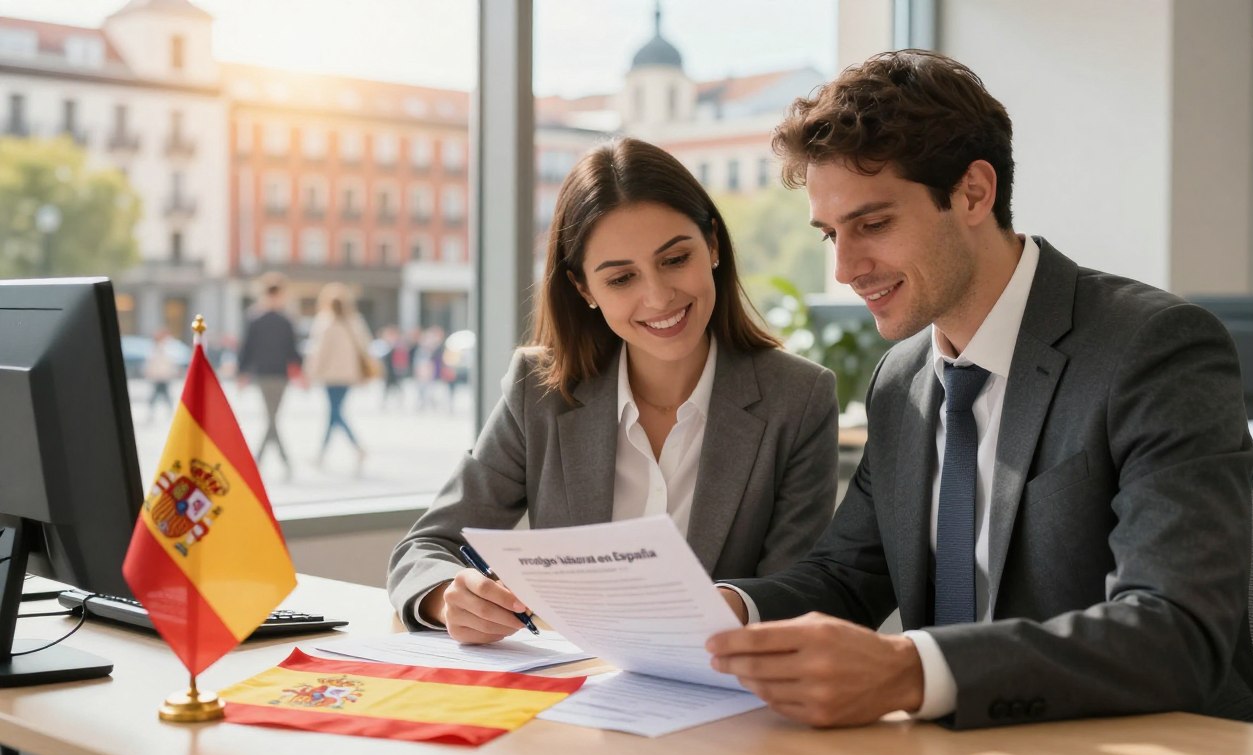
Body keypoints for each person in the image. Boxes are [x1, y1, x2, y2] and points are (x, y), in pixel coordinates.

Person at [705, 50, 1253, 730]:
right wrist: (723, 612)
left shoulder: (1154, 349)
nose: (847, 269)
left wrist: (914, 671)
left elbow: (1174, 632)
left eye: (873, 224)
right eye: (831, 234)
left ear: (974, 193)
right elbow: (843, 577)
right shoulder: (902, 381)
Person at [387, 137, 840, 644]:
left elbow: (798, 592)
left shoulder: (798, 398)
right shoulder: (538, 391)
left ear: (712, 245)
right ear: (585, 290)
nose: (658, 296)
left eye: (675, 259)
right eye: (622, 278)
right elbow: (424, 548)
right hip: (574, 694)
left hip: (725, 695)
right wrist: (449, 595)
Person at [237, 273, 303, 480]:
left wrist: (243, 371)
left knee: (272, 418)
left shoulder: (282, 319)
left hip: (277, 375)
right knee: (272, 418)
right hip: (266, 374)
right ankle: (274, 461)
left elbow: (293, 350)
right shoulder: (260, 319)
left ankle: (257, 462)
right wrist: (242, 372)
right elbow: (247, 348)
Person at [304, 282, 373, 471]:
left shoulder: (325, 322)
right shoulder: (355, 321)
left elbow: (318, 353)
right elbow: (365, 348)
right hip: (349, 376)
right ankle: (331, 452)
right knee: (335, 412)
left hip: (331, 376)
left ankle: (353, 448)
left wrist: (310, 374)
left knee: (335, 412)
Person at [143, 328, 180, 421]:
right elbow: (151, 362)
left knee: (163, 395)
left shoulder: (167, 347)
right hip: (158, 375)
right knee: (159, 395)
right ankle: (155, 413)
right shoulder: (156, 348)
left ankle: (169, 412)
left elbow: (170, 362)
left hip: (164, 375)